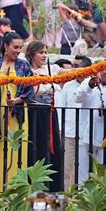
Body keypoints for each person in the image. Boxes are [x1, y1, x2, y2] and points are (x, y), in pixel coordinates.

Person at [0, 32, 34, 192]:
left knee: (18, 151)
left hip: (17, 114)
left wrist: (18, 100)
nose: (18, 51)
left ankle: (16, 193)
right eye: (15, 47)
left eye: (20, 47)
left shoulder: (24, 65)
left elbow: (30, 89)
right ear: (6, 46)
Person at [25, 40, 65, 192]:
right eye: (41, 52)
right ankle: (32, 192)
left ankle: (52, 193)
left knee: (51, 151)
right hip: (32, 114)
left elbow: (69, 73)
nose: (44, 55)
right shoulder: (25, 70)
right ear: (32, 54)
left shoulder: (52, 69)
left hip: (48, 114)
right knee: (34, 150)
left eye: (46, 52)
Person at [57, 55, 92, 189]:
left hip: (87, 134)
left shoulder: (93, 85)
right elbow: (61, 108)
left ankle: (83, 198)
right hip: (70, 133)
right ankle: (67, 198)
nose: (72, 69)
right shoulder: (68, 86)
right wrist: (61, 128)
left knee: (84, 169)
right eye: (73, 66)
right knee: (67, 168)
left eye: (77, 66)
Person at [75, 65, 106, 184]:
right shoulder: (88, 82)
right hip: (86, 134)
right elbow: (78, 98)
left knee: (103, 173)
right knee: (83, 173)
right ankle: (81, 200)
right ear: (100, 70)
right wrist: (89, 85)